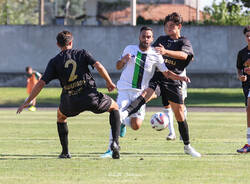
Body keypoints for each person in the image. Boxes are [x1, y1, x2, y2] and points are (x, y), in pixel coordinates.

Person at [17, 30, 121, 159]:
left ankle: (65, 152)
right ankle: (115, 143)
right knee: (114, 107)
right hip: (90, 96)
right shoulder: (82, 53)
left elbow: (40, 83)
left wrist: (27, 102)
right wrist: (109, 82)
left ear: (57, 44)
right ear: (71, 42)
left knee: (60, 116)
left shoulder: (54, 61)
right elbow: (98, 65)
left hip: (71, 101)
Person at [119, 12, 201, 157]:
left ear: (179, 26)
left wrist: (166, 52)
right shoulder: (162, 39)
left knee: (180, 113)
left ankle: (187, 146)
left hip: (173, 80)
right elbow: (149, 51)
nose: (168, 29)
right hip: (158, 77)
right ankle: (123, 116)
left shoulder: (184, 42)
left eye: (171, 26)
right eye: (166, 26)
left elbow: (184, 55)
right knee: (145, 95)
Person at [101, 26, 190, 158]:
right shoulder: (129, 49)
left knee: (136, 125)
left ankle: (124, 124)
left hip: (140, 94)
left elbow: (166, 73)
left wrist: (180, 77)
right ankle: (111, 147)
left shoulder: (156, 55)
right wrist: (123, 60)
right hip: (125, 90)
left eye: (148, 37)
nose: (146, 39)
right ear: (139, 37)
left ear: (152, 39)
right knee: (117, 115)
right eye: (144, 36)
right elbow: (118, 66)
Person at [236, 25, 250, 153]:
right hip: (247, 86)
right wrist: (241, 76)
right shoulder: (242, 53)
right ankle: (249, 143)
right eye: (247, 36)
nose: (249, 37)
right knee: (249, 110)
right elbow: (239, 68)